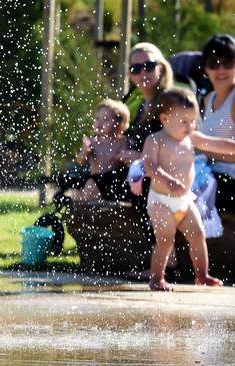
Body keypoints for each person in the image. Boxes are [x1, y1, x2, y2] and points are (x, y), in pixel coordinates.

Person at [141, 88, 235, 291]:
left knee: (198, 235)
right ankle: (157, 277)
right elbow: (149, 165)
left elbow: (216, 144)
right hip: (160, 200)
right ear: (165, 118)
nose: (189, 126)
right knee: (165, 240)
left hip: (184, 200)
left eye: (193, 120)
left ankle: (202, 275)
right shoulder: (156, 140)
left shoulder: (191, 138)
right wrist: (167, 180)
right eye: (183, 121)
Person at [196, 34, 235, 212]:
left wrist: (203, 150)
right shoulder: (207, 99)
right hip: (209, 174)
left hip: (229, 181)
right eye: (214, 63)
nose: (220, 70)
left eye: (228, 63)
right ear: (205, 68)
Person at [73, 99, 130, 201]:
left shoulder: (122, 142)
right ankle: (83, 210)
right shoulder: (92, 143)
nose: (99, 122)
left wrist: (120, 156)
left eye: (105, 119)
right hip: (96, 180)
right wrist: (85, 151)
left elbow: (127, 161)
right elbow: (80, 161)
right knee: (83, 188)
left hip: (113, 181)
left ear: (119, 125)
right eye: (97, 118)